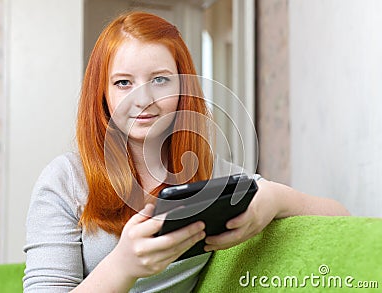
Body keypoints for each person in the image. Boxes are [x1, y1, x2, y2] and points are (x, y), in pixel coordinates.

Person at [23, 11, 350, 293]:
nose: (143, 99)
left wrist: (276, 198)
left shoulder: (211, 175)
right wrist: (122, 267)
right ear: (102, 94)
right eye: (123, 83)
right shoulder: (65, 181)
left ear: (183, 88)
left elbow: (341, 218)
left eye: (161, 79)